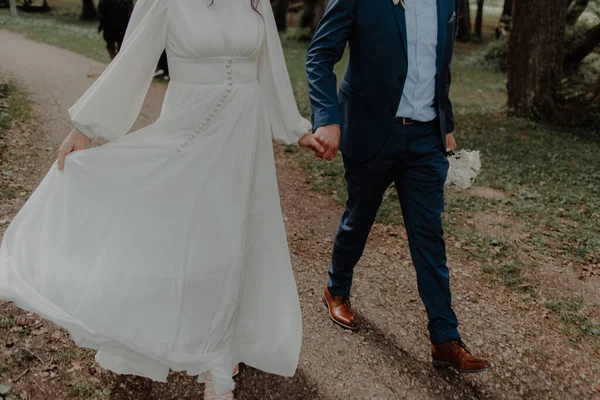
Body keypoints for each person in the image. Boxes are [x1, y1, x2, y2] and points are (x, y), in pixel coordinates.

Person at [0, 0, 326, 399]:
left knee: (232, 244)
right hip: (190, 134)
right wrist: (85, 128)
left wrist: (296, 129)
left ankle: (220, 351)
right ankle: (205, 348)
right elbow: (133, 58)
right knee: (188, 241)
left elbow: (269, 67)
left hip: (243, 140)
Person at [306, 0, 492, 373]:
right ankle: (336, 288)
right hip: (372, 130)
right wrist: (326, 118)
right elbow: (319, 55)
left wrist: (447, 126)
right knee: (358, 219)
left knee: (429, 237)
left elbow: (442, 67)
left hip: (426, 139)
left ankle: (445, 337)